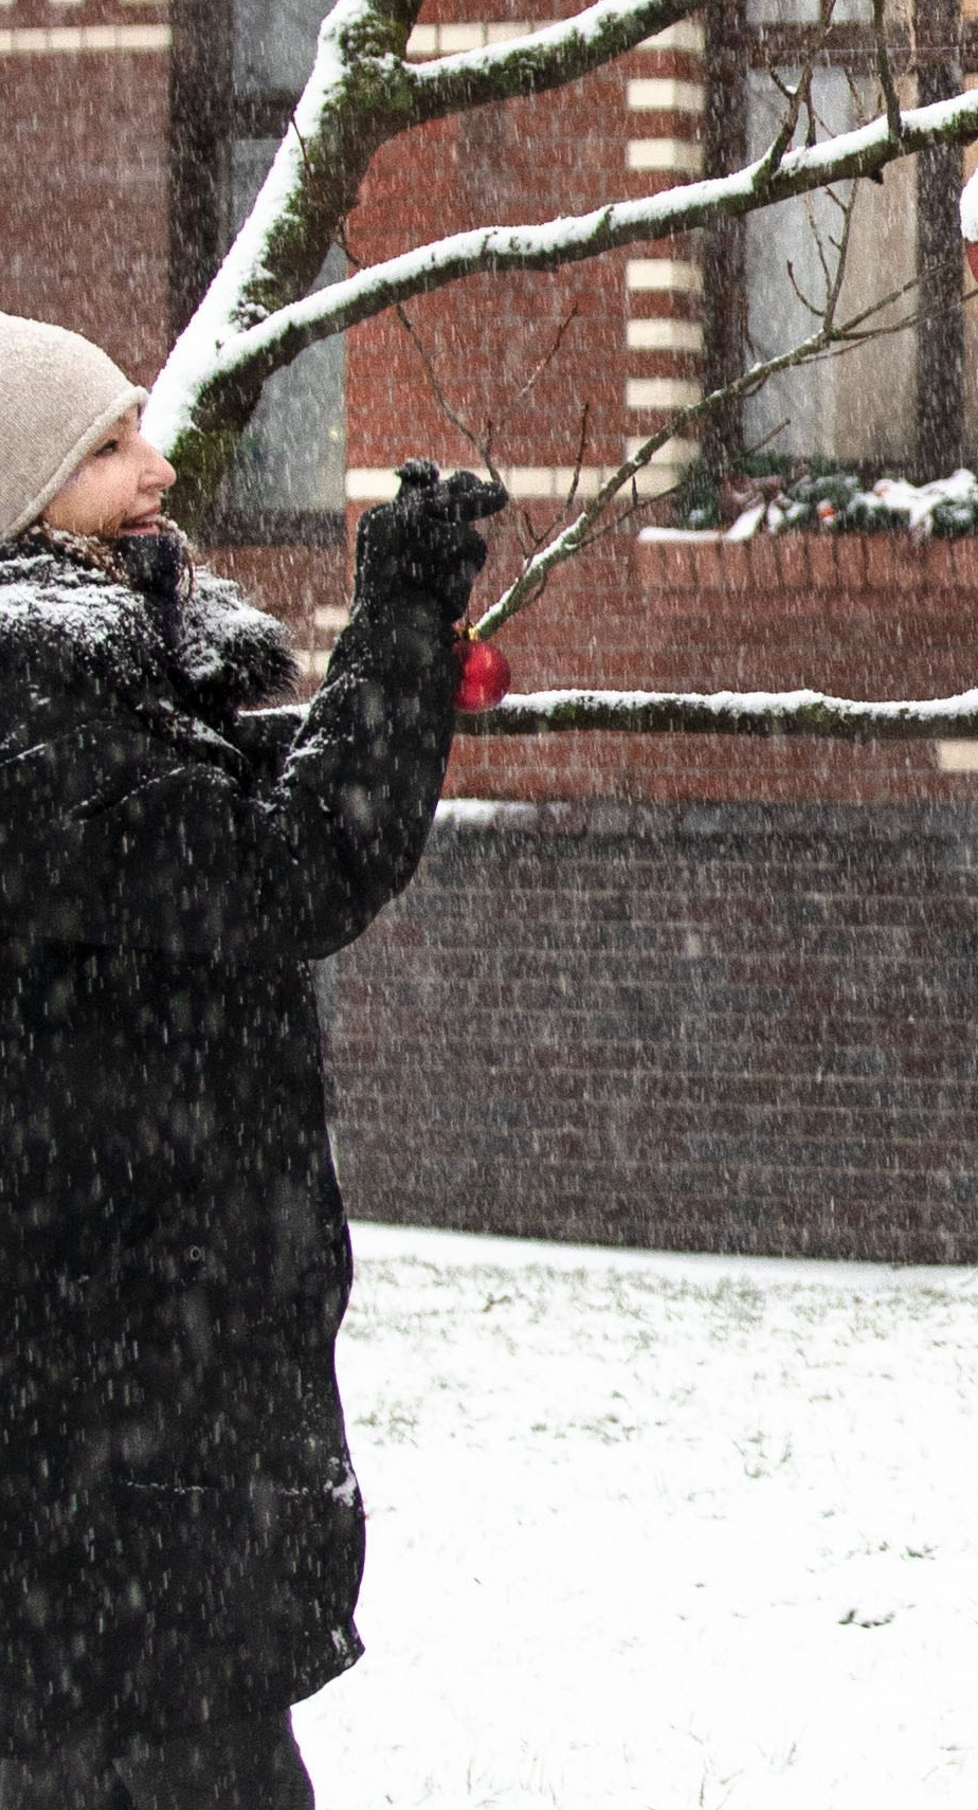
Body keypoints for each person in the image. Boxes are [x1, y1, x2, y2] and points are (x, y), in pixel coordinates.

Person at [0, 312, 504, 1809]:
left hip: (127, 1408)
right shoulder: (33, 704)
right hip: (93, 1429)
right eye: (105, 448)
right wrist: (402, 619)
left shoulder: (112, 681)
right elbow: (286, 876)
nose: (156, 468)